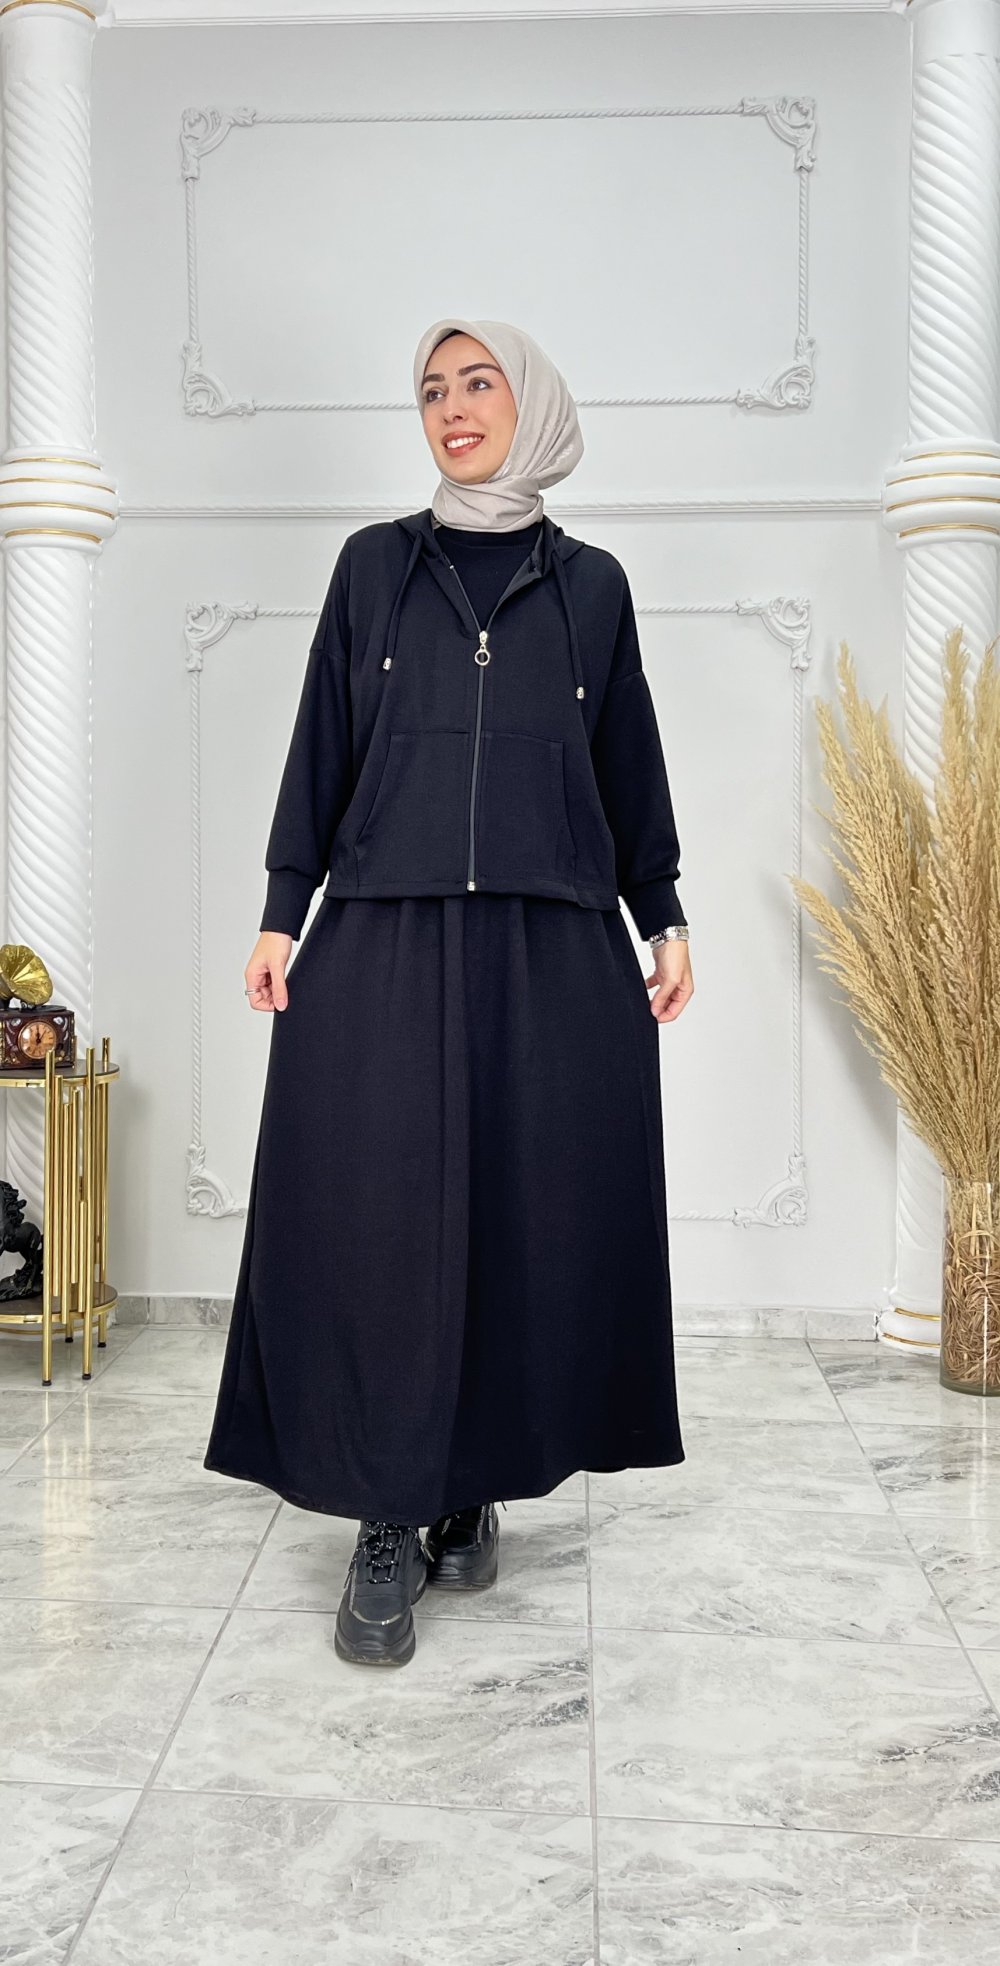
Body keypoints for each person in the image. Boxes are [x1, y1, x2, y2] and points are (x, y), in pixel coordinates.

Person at [203, 317, 694, 1670]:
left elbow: (629, 758)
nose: (453, 407)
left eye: (479, 383)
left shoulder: (591, 585)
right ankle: (386, 1512)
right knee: (380, 1228)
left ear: (530, 402)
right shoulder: (376, 565)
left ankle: (469, 1484)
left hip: (549, 940)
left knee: (518, 1221)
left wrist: (662, 914)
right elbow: (322, 741)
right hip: (384, 928)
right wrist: (282, 909)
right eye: (432, 389)